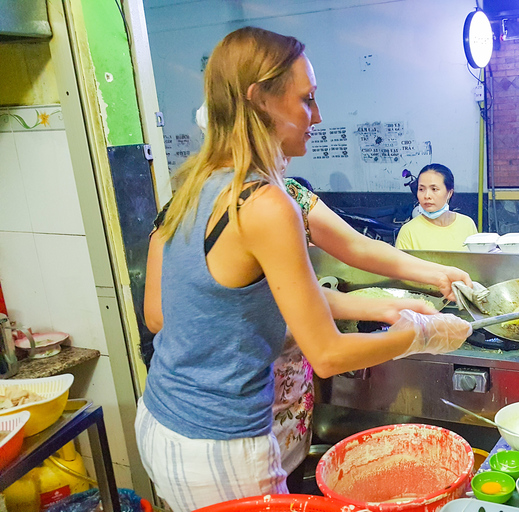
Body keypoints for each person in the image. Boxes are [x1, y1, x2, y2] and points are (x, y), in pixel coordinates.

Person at [136, 27, 473, 511]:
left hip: (163, 421)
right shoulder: (267, 203)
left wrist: (394, 302)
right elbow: (330, 355)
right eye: (308, 100)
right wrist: (422, 334)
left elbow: (161, 316)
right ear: (260, 100)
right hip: (222, 442)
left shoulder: (194, 187)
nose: (319, 116)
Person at [395, 164, 478, 251]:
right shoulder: (408, 232)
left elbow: (477, 261)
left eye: (434, 189)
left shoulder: (467, 224)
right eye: (421, 189)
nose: (427, 196)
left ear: (449, 193)